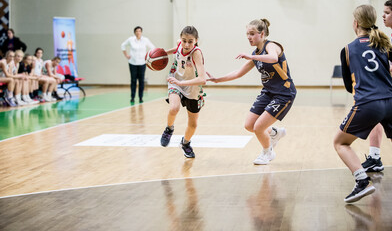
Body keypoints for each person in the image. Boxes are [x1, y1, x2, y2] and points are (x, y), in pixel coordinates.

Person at [207, 19, 295, 165]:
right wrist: (217, 79)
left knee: (259, 127)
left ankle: (268, 153)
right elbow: (238, 73)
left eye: (252, 34)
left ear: (262, 34)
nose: (249, 37)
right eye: (247, 34)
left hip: (284, 93)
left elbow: (273, 58)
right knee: (249, 125)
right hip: (268, 92)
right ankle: (274, 133)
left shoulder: (271, 46)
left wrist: (252, 57)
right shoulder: (256, 53)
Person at [334, 4, 392, 203]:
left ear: (356, 23)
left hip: (368, 103)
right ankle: (374, 159)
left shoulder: (348, 49)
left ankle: (362, 181)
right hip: (391, 100)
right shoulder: (384, 44)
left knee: (340, 142)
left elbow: (349, 87)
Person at [160, 26, 206, 158]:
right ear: (180, 38)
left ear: (196, 41)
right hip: (176, 79)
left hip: (193, 87)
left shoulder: (196, 53)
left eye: (190, 41)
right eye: (184, 40)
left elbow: (202, 79)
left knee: (193, 124)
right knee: (174, 107)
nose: (186, 44)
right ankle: (169, 128)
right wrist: (164, 53)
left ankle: (185, 143)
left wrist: (182, 83)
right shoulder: (180, 43)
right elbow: (178, 49)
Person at [361, 0, 392, 173]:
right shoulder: (386, 38)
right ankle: (374, 157)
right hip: (385, 90)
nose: (383, 15)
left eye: (387, 12)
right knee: (376, 116)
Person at [121, 26, 155, 104]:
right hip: (132, 63)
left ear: (141, 32)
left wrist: (148, 57)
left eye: (139, 31)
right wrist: (126, 55)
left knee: (141, 81)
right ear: (134, 32)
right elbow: (122, 45)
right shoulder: (131, 40)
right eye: (136, 31)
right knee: (133, 80)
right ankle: (132, 97)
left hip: (142, 63)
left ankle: (140, 97)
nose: (138, 32)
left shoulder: (145, 40)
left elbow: (153, 48)